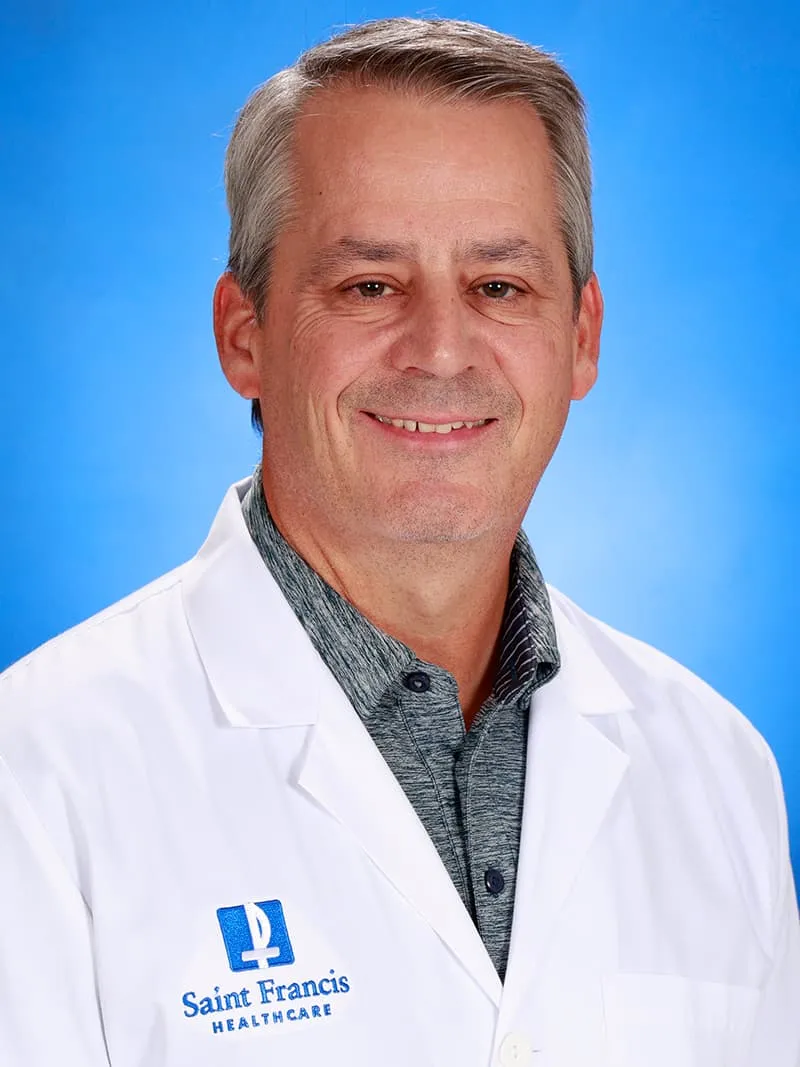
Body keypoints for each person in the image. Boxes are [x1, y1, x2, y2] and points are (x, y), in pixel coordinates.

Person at [1, 16, 797, 1067]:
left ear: (581, 336)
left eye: (498, 286)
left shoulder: (718, 770)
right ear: (244, 334)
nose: (440, 350)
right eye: (369, 285)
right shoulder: (37, 773)